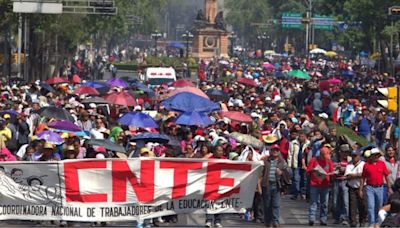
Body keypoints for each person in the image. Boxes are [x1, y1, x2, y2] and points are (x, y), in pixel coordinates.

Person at [359, 147, 392, 228]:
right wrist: (360, 189)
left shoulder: (382, 163)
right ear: (371, 156)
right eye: (375, 155)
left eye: (377, 155)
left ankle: (377, 222)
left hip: (380, 187)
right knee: (370, 206)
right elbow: (363, 178)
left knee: (378, 206)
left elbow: (386, 176)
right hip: (370, 187)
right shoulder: (366, 165)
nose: (376, 157)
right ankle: (371, 223)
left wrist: (389, 187)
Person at [261, 144, 290, 227]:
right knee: (267, 204)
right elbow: (260, 171)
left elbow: (289, 172)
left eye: (277, 150)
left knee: (276, 204)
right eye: (273, 150)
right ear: (270, 151)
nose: (275, 152)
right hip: (266, 185)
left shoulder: (282, 161)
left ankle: (275, 222)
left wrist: (282, 172)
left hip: (277, 185)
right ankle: (268, 221)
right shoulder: (266, 160)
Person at [306, 146, 334, 226]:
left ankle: (323, 219)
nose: (325, 158)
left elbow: (332, 171)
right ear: (321, 155)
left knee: (324, 203)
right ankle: (312, 218)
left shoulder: (329, 161)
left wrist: (331, 174)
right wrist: (313, 170)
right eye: (324, 156)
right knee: (313, 202)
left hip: (325, 184)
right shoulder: (314, 160)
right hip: (314, 184)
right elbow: (308, 171)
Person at [344, 148, 366, 227]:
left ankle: (362, 220)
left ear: (359, 156)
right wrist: (358, 175)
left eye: (355, 156)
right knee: (352, 205)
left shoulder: (363, 164)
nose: (354, 157)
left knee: (363, 205)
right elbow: (347, 176)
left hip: (362, 187)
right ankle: (353, 222)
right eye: (352, 156)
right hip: (352, 187)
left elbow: (364, 174)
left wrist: (354, 175)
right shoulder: (349, 164)